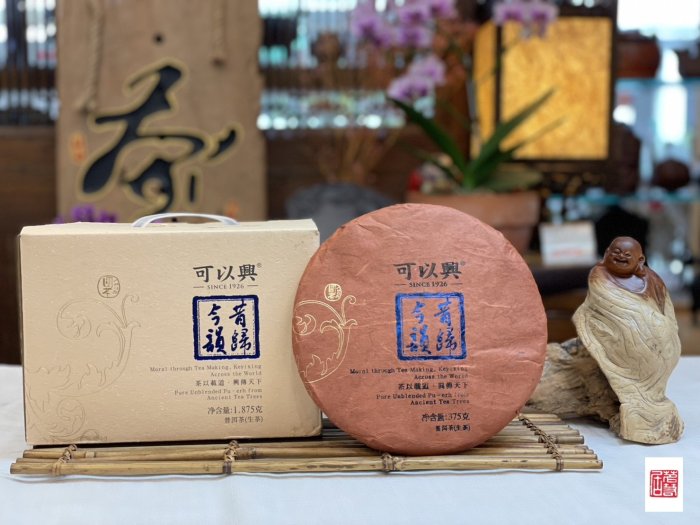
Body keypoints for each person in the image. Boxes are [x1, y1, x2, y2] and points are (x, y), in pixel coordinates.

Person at [573, 237, 684, 444]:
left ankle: (651, 409)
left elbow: (667, 311)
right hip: (620, 339)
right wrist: (646, 324)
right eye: (615, 251)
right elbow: (616, 309)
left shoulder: (653, 280)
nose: (620, 256)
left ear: (640, 260)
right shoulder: (599, 275)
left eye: (627, 254)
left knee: (656, 368)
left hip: (658, 346)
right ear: (606, 253)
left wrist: (663, 330)